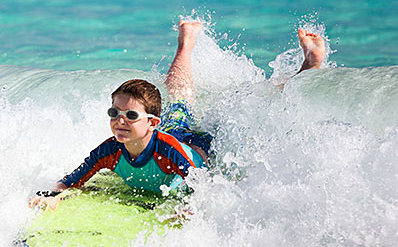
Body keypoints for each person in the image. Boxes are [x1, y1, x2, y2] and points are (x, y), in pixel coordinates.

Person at [28, 21, 328, 210]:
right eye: (114, 112)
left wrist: (187, 209)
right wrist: (52, 196)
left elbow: (203, 185)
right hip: (174, 127)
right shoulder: (110, 150)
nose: (120, 120)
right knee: (180, 99)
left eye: (130, 115)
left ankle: (310, 64)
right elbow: (71, 179)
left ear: (150, 122)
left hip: (203, 142)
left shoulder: (167, 152)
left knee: (249, 103)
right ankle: (186, 42)